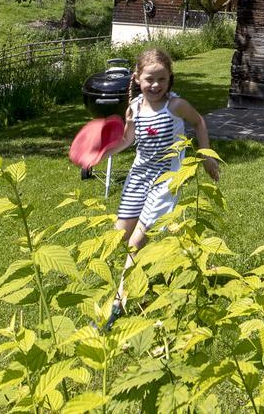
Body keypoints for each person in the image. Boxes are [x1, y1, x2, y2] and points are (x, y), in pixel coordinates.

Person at [102, 48, 219, 330]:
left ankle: (119, 303)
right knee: (119, 236)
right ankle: (181, 259)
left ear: (170, 80)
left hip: (167, 178)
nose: (155, 85)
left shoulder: (175, 106)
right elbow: (129, 140)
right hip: (139, 175)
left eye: (162, 80)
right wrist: (104, 153)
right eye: (149, 79)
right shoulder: (134, 108)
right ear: (137, 78)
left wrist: (206, 155)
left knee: (136, 243)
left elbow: (199, 121)